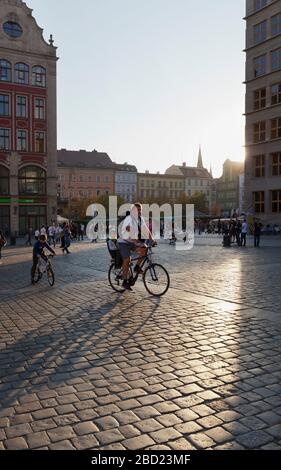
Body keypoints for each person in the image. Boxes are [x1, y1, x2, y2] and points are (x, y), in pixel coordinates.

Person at [118, 203, 155, 291]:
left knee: (144, 249)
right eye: (137, 210)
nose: (139, 212)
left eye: (140, 210)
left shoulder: (140, 219)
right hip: (124, 242)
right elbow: (128, 228)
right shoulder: (129, 218)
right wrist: (135, 241)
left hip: (132, 241)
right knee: (127, 260)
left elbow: (146, 230)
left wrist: (152, 240)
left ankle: (137, 267)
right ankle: (124, 281)